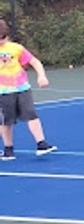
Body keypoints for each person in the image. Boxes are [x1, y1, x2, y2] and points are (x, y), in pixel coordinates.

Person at [0, 19, 56, 160]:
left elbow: (34, 62)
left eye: (3, 38)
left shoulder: (16, 48)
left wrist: (41, 76)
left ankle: (41, 143)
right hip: (3, 92)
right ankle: (8, 149)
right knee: (6, 121)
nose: (2, 41)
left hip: (22, 88)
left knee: (31, 115)